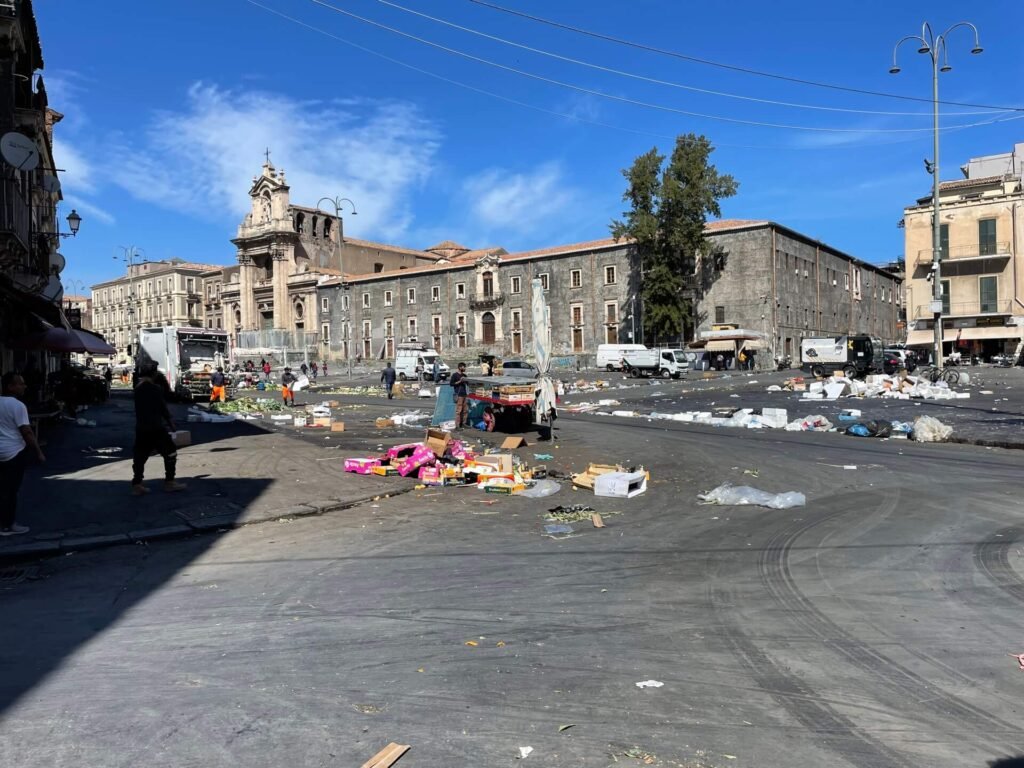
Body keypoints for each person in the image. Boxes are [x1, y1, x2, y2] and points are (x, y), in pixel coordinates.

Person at [0, 372, 45, 535]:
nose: (24, 386)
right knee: (10, 491)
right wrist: (38, 452)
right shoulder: (18, 406)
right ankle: (7, 525)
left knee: (3, 489)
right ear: (10, 387)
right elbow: (26, 431)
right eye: (20, 383)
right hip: (14, 452)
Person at [131, 363, 186, 496]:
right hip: (156, 427)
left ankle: (137, 484)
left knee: (140, 456)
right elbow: (162, 408)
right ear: (154, 374)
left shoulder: (137, 389)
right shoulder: (155, 389)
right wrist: (171, 424)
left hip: (141, 428)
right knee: (171, 453)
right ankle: (170, 482)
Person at [450, 362, 469, 428]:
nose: (465, 368)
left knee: (465, 410)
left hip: (465, 394)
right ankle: (457, 426)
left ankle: (464, 423)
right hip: (459, 395)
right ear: (460, 367)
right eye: (464, 367)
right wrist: (460, 381)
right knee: (459, 411)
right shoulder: (455, 375)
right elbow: (451, 384)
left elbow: (468, 383)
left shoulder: (464, 375)